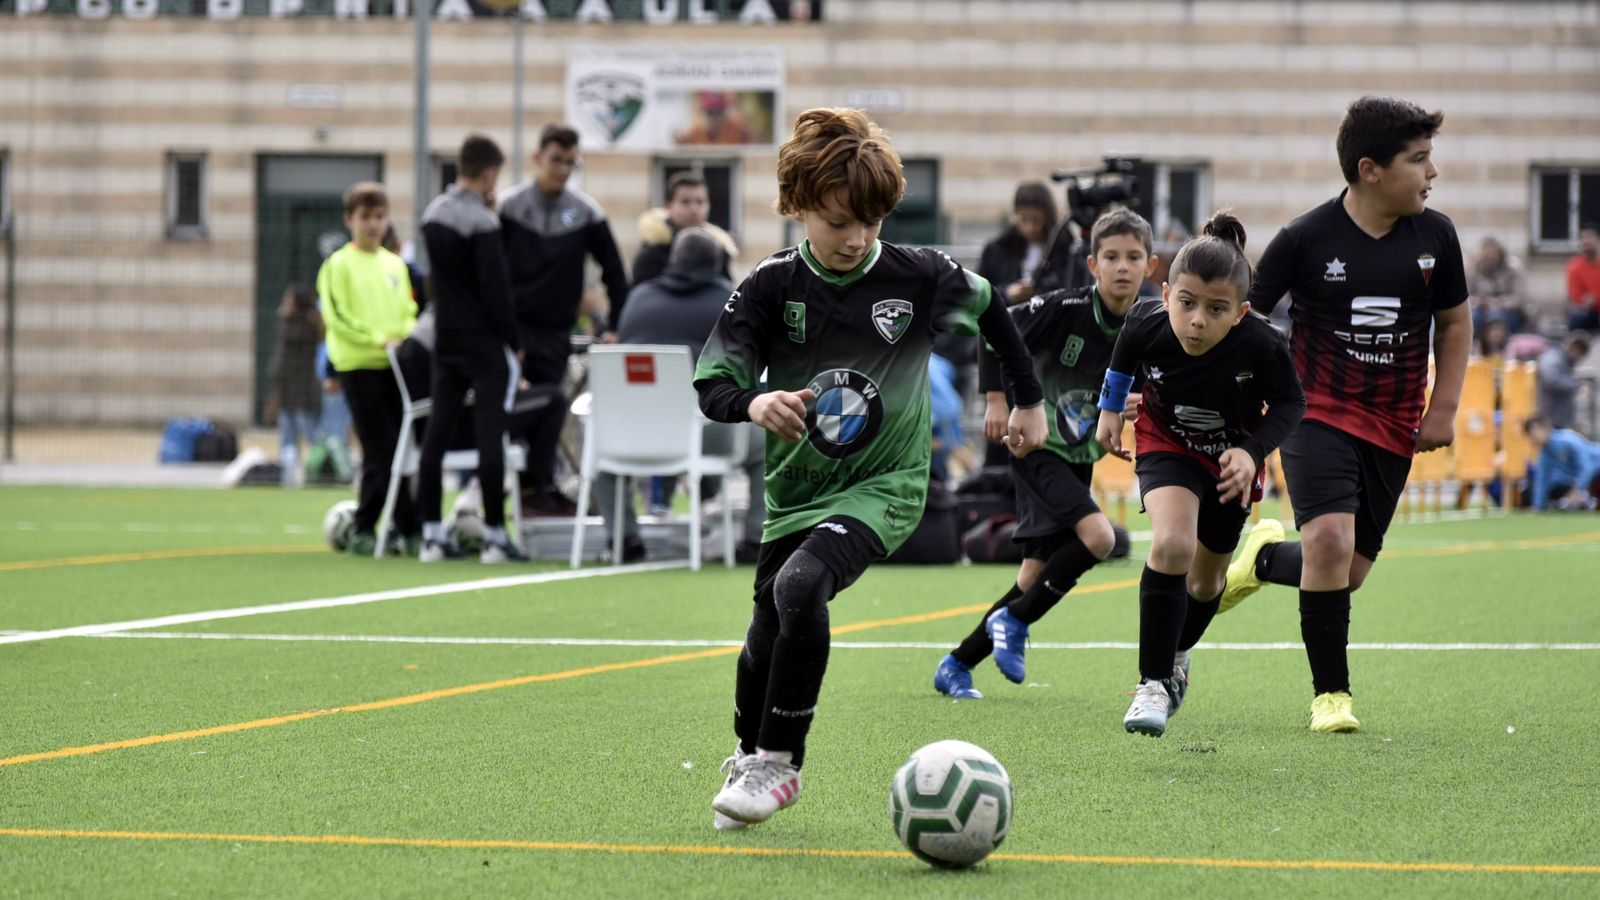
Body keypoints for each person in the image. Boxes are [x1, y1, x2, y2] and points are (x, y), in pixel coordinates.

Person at [694, 107, 1046, 829]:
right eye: (838, 222)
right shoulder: (768, 288)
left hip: (886, 487)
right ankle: (747, 752)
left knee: (800, 587)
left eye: (872, 222)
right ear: (797, 207)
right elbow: (712, 383)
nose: (857, 238)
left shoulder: (919, 274)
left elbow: (996, 312)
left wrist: (1025, 400)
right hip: (796, 493)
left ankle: (779, 765)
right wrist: (757, 404)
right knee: (766, 626)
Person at [1218, 96, 1472, 734]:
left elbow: (1456, 322)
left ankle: (1266, 558)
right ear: (1370, 170)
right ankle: (1332, 697)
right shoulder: (1305, 239)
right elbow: (1243, 317)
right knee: (1330, 543)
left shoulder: (1436, 237)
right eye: (1419, 160)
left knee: (1346, 572)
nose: (1431, 173)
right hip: (1316, 412)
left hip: (1394, 425)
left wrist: (1443, 409)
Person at [1092, 212, 1304, 738]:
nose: (1196, 321)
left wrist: (1252, 452)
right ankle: (1152, 683)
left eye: (1216, 310)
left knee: (1206, 582)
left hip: (1231, 463)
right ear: (1166, 294)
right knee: (1170, 546)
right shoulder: (1145, 322)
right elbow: (1122, 358)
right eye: (1185, 304)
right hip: (1168, 446)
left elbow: (1290, 405)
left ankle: (1179, 654)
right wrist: (1109, 410)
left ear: (1241, 312)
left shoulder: (1263, 344)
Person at [932, 208, 1157, 700]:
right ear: (1093, 265)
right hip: (1035, 446)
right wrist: (995, 400)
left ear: (1150, 266)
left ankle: (956, 664)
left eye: (1133, 257)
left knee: (1034, 575)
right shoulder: (1064, 307)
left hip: (1077, 455)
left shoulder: (1148, 323)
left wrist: (1132, 406)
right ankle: (1013, 622)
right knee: (1100, 538)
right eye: (1112, 257)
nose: (1123, 266)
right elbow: (996, 331)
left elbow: (1133, 388)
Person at [595, 227, 749, 562]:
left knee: (602, 464)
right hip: (701, 435)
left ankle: (624, 539)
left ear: (672, 259)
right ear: (717, 262)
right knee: (768, 441)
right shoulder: (729, 301)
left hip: (629, 436)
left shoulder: (638, 298)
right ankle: (753, 540)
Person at [499, 123, 631, 515]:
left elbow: (614, 271)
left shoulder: (586, 212)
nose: (562, 169)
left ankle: (538, 489)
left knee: (550, 410)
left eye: (570, 163)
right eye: (556, 160)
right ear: (538, 158)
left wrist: (614, 324)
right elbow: (487, 273)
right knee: (519, 410)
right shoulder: (509, 207)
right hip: (512, 331)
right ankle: (517, 489)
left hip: (556, 332)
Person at [416, 133, 527, 564]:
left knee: (437, 433)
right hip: (482, 341)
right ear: (489, 173)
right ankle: (496, 536)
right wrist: (514, 342)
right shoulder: (482, 222)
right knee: (489, 437)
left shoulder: (433, 214)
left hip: (445, 337)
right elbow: (495, 290)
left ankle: (429, 534)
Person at [317, 181, 420, 557]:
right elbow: (337, 317)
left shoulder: (396, 265)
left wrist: (404, 337)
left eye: (379, 217)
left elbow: (410, 312)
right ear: (349, 220)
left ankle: (404, 528)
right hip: (358, 365)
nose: (373, 224)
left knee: (400, 451)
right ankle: (368, 526)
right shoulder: (337, 265)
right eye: (365, 217)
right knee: (382, 449)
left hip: (396, 367)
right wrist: (379, 338)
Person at [978, 181, 1084, 307]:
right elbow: (980, 292)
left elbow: (1075, 289)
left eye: (1036, 220)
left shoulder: (1066, 248)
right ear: (1016, 215)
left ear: (1047, 217)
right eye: (1024, 220)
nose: (1030, 228)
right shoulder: (997, 249)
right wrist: (1008, 293)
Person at [631, 171, 738, 287]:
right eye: (685, 202)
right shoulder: (652, 251)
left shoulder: (718, 249)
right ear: (668, 207)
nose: (694, 209)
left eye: (700, 202)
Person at [267, 282, 323, 488]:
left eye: (289, 300)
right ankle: (289, 475)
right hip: (286, 386)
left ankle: (318, 471)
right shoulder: (290, 323)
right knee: (287, 432)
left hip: (302, 386)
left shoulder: (306, 325)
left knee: (308, 431)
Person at [1524, 413, 1600, 510]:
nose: (1531, 439)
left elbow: (1587, 467)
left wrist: (1576, 490)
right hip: (1592, 478)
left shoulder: (1567, 439)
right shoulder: (1545, 454)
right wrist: (1537, 508)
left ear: (1543, 428)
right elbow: (1542, 481)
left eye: (1532, 433)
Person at [1468, 236, 1529, 336]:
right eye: (1486, 256)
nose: (1489, 259)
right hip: (1481, 310)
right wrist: (1479, 302)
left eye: (1492, 255)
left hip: (1508, 311)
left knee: (1496, 318)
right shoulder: (1475, 269)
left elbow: (1520, 298)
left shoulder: (1514, 268)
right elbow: (1466, 295)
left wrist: (1499, 303)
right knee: (1472, 319)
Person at [1537, 331, 1592, 430]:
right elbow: (1551, 380)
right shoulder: (1554, 358)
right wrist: (1577, 383)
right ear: (1575, 348)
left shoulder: (1563, 360)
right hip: (1549, 418)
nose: (1579, 359)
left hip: (1557, 418)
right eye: (1580, 355)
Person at [1568, 224, 1600, 333]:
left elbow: (1593, 298)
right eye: (1582, 238)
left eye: (1589, 237)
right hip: (1589, 311)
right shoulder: (1575, 266)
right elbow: (1576, 297)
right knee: (1577, 318)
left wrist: (1595, 297)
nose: (1586, 241)